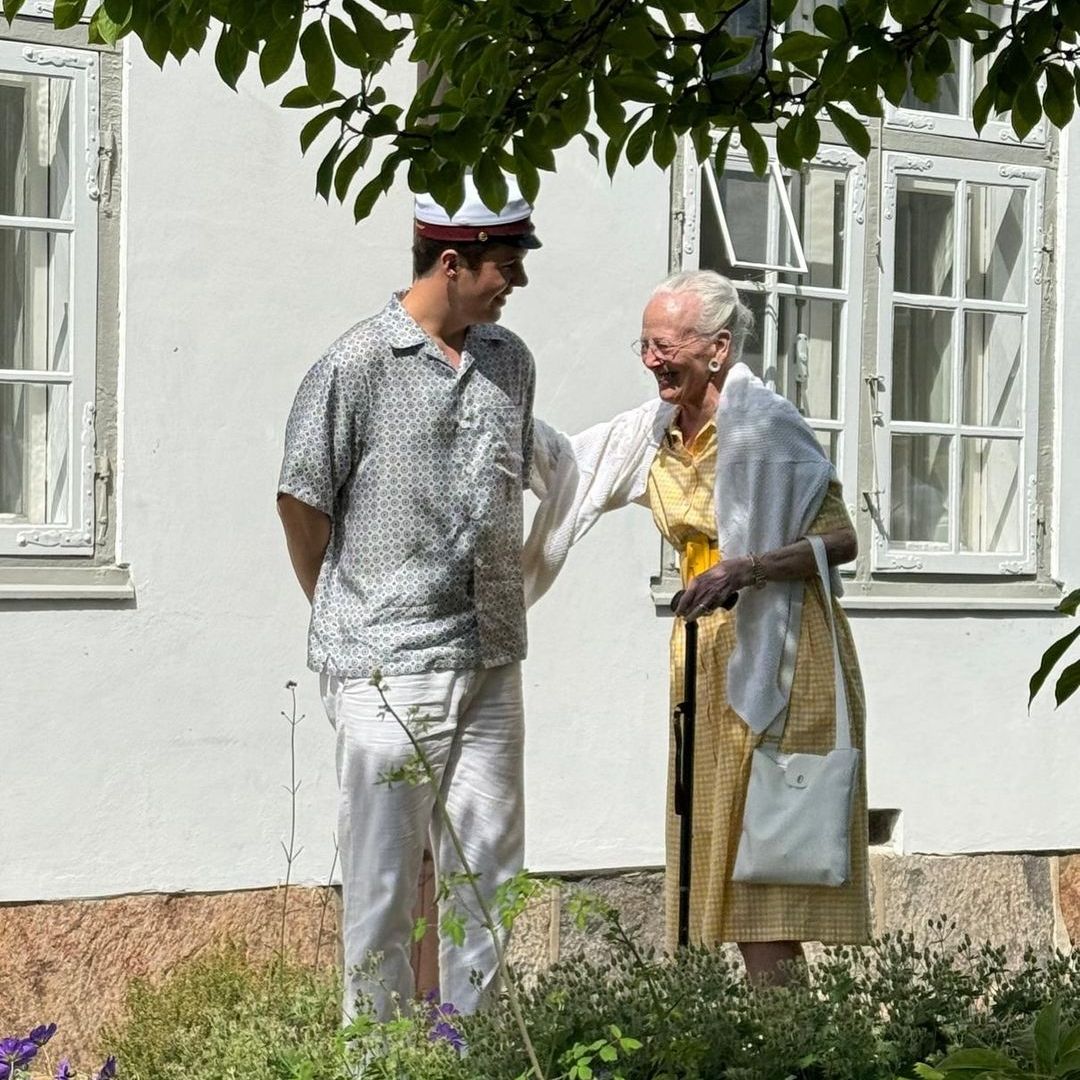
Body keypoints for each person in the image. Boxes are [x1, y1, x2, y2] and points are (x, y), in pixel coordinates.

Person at [525, 269, 870, 984]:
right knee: (711, 850)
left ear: (716, 350)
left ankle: (795, 1041)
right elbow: (567, 468)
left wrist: (749, 569)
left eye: (663, 344)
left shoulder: (768, 426)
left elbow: (842, 541)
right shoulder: (651, 434)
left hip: (781, 652)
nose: (650, 359)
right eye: (643, 345)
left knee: (762, 865)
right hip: (705, 651)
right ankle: (746, 1033)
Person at [277, 175, 540, 1021]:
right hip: (386, 663)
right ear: (453, 262)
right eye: (507, 265)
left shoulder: (511, 361)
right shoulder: (354, 364)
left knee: (490, 879)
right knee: (385, 886)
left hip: (493, 651)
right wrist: (349, 606)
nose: (517, 284)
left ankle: (479, 1051)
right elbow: (301, 500)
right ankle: (378, 1059)